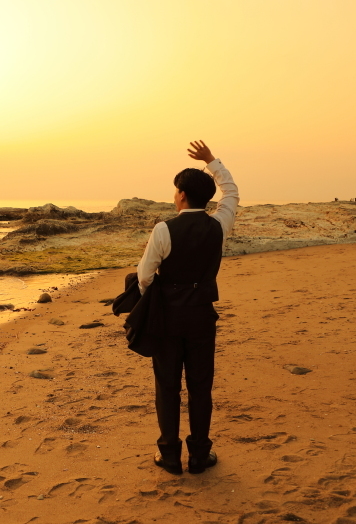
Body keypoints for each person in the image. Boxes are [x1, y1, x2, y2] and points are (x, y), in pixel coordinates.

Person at [136, 140, 239, 474]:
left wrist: (156, 299)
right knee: (200, 386)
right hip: (201, 316)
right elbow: (231, 193)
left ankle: (169, 455)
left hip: (168, 317)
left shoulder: (164, 229)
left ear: (181, 194)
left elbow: (144, 276)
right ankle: (198, 455)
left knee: (167, 386)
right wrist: (212, 161)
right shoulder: (219, 225)